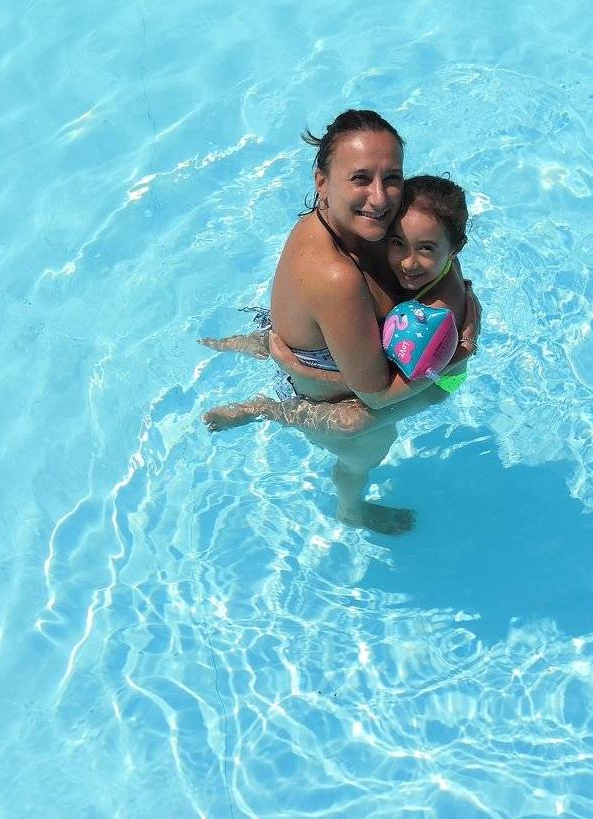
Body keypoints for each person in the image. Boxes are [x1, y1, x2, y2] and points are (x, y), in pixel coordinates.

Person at [200, 110, 478, 533]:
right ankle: (350, 507)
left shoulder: (350, 223)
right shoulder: (337, 277)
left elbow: (440, 253)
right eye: (361, 178)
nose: (380, 198)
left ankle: (256, 343)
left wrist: (468, 304)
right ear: (321, 181)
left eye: (392, 178)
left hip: (321, 345)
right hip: (329, 401)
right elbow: (378, 396)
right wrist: (457, 356)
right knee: (364, 446)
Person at [204, 175, 471, 436]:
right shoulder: (433, 245)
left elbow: (380, 391)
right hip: (414, 348)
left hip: (432, 378)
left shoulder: (434, 316)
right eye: (398, 242)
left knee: (351, 423)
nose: (408, 262)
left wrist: (304, 372)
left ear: (454, 249)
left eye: (426, 249)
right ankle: (260, 342)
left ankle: (265, 410)